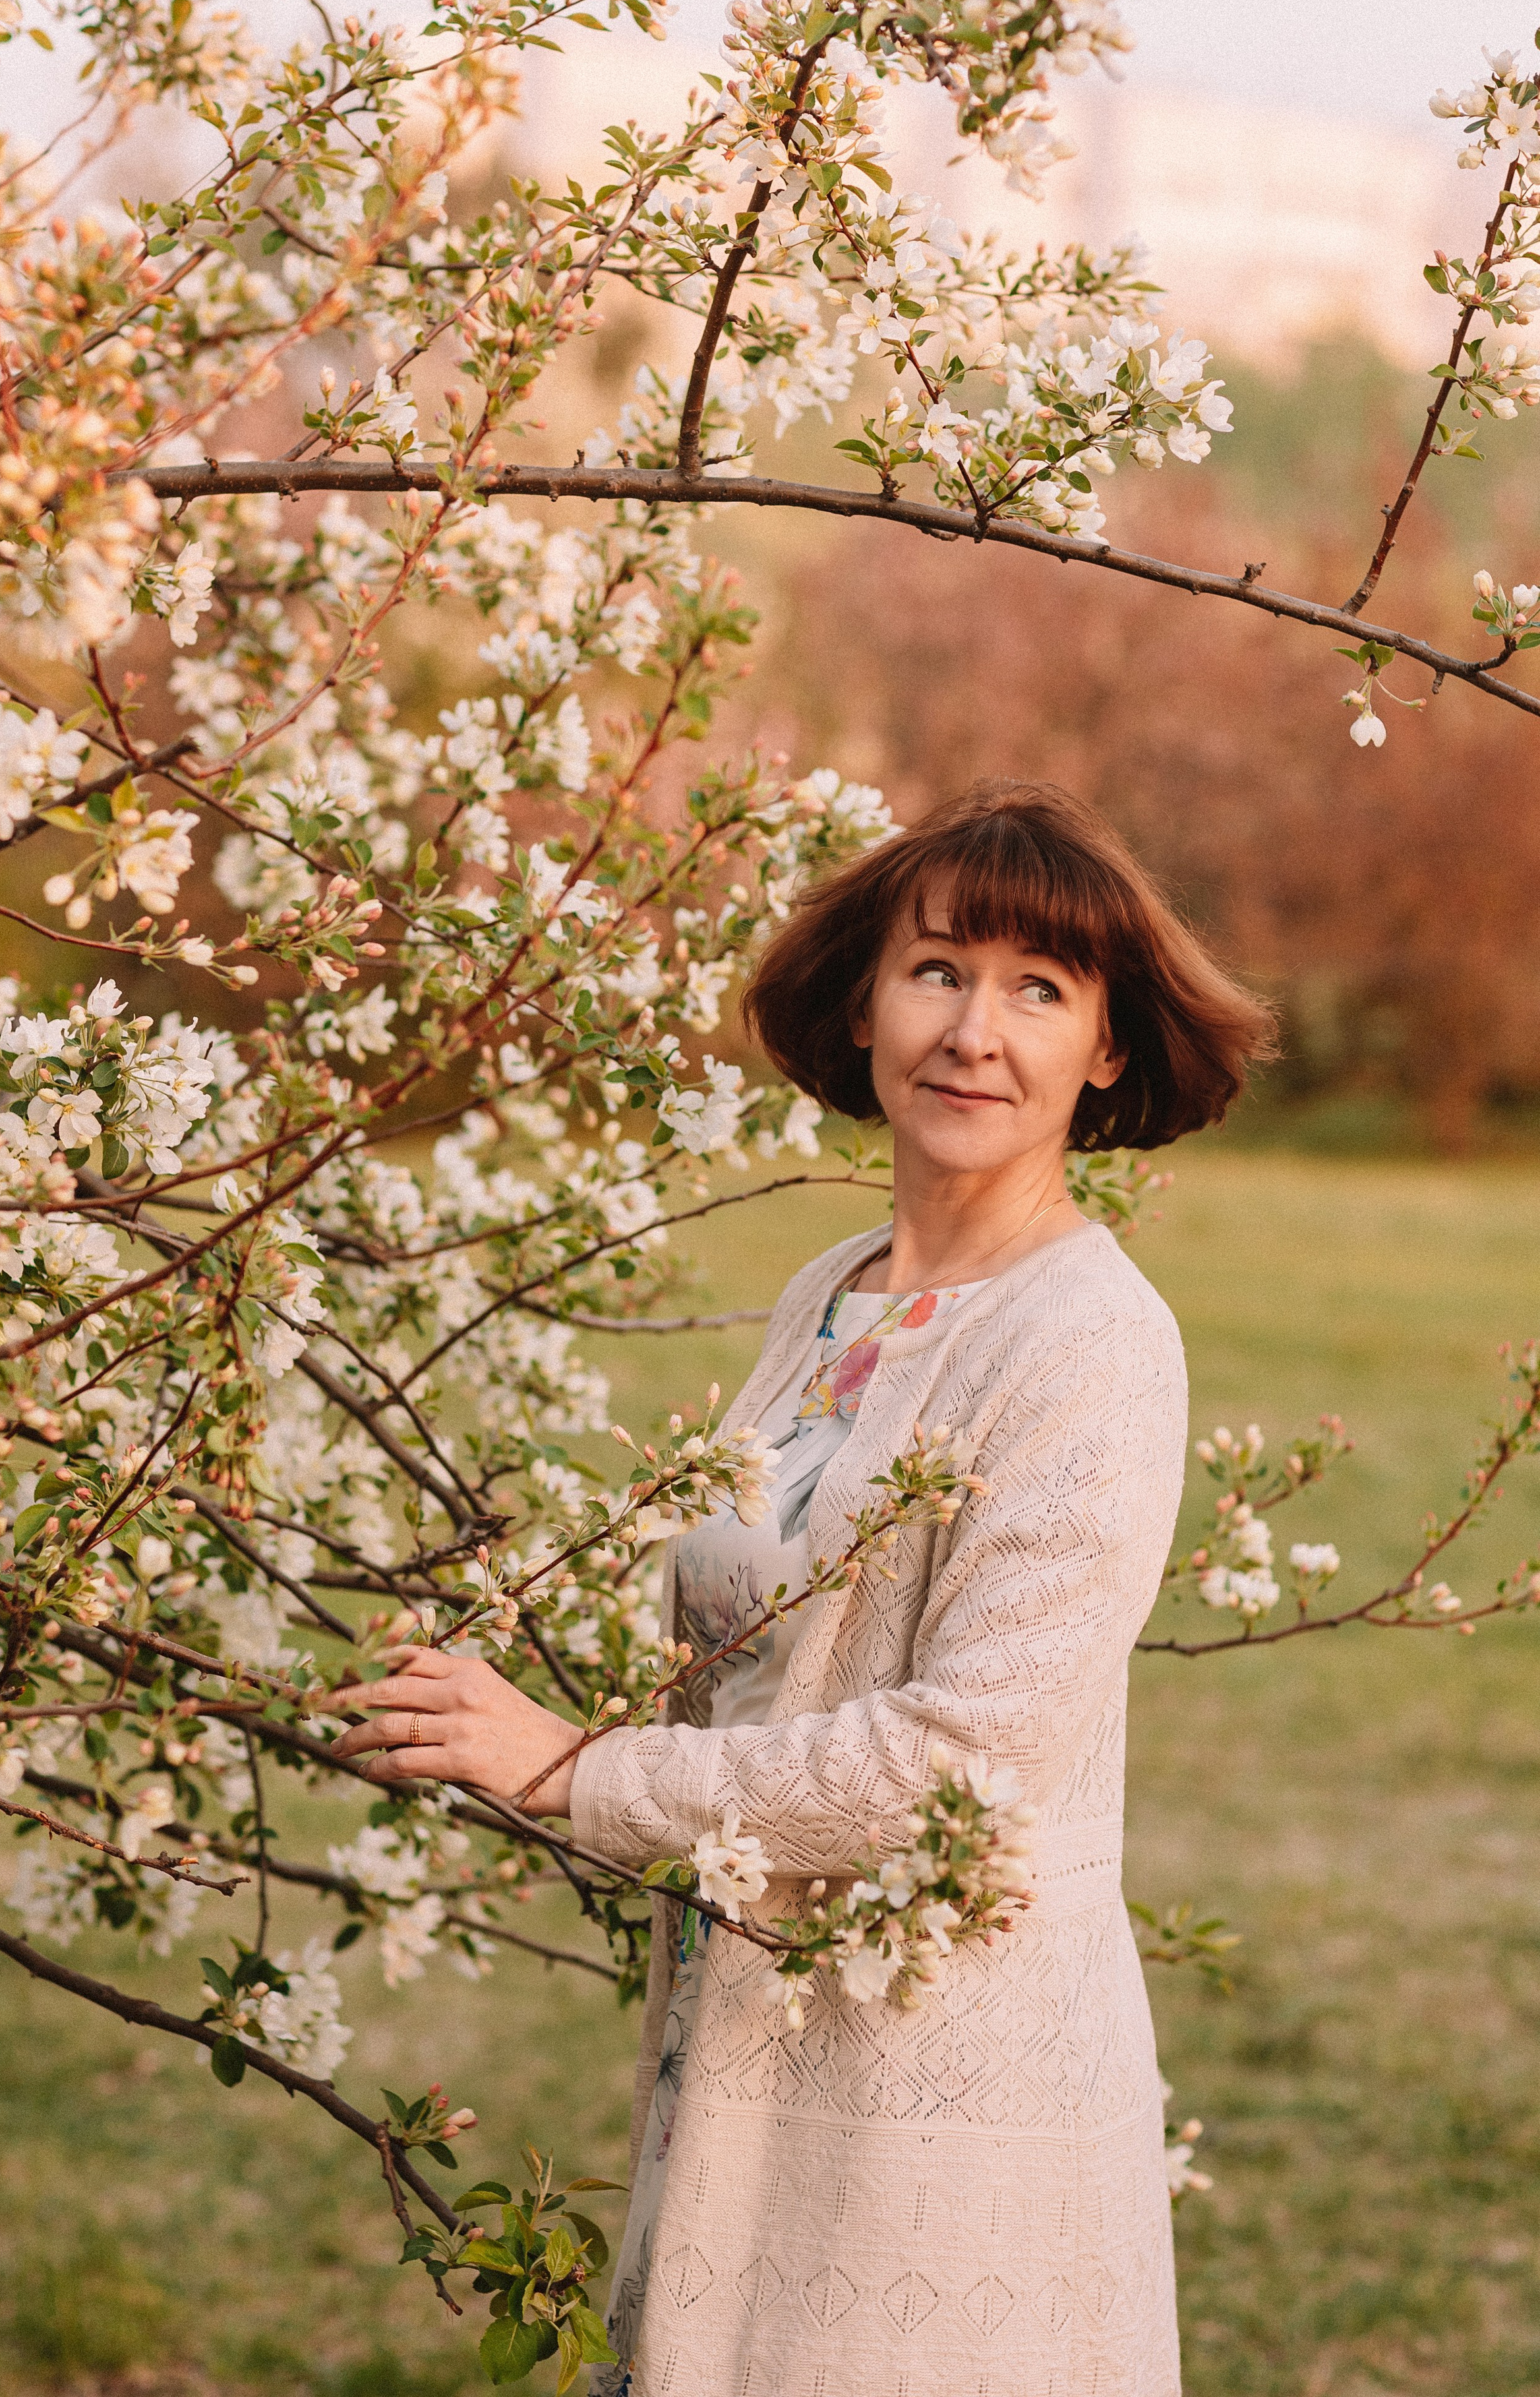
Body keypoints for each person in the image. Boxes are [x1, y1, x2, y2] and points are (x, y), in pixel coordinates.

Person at [329, 778, 1276, 2395]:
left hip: (943, 2087)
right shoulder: (824, 1298)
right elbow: (761, 1656)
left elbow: (965, 1761)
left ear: (1104, 1050)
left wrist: (574, 1771)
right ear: (862, 1003)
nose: (974, 1031)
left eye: (1037, 991)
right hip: (747, 2033)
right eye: (937, 970)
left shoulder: (1092, 1341)